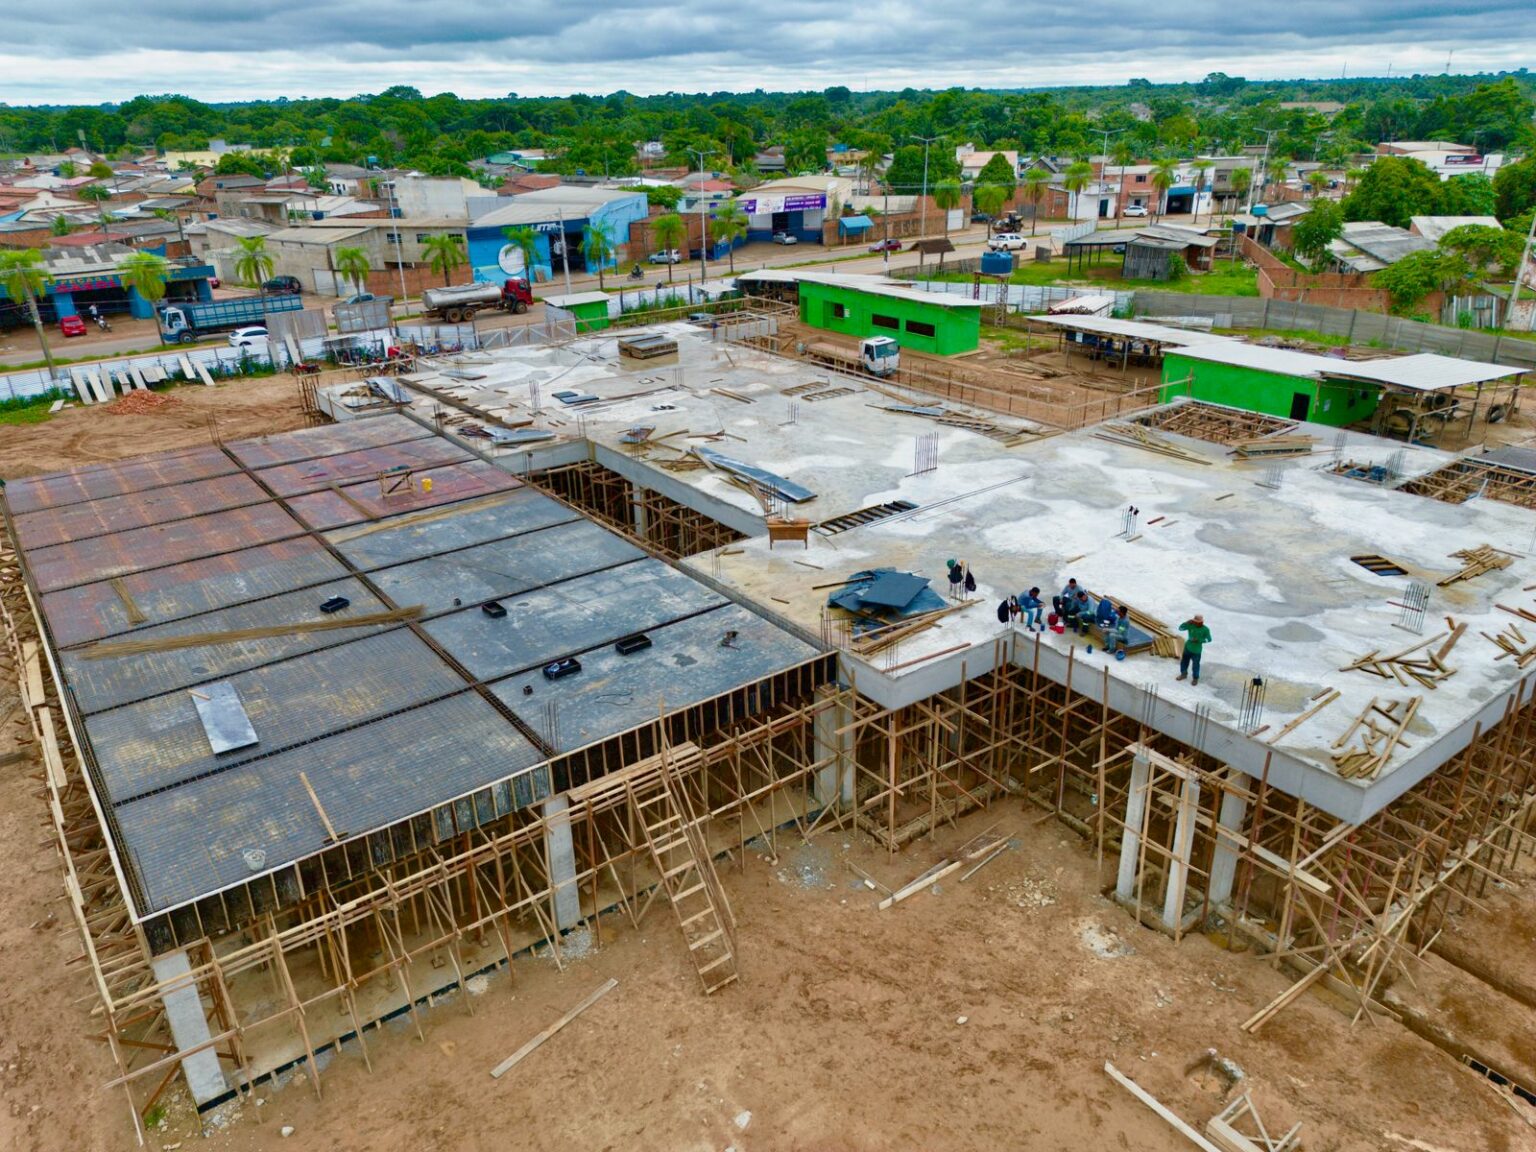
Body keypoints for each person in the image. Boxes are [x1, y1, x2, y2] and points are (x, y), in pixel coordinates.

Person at [1177, 614, 1212, 685]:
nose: (1195, 623)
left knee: (1195, 665)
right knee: (1184, 662)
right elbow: (1180, 628)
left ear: (1201, 622)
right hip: (1187, 648)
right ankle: (1183, 674)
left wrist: (1199, 640)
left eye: (1197, 622)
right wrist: (1186, 623)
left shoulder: (1205, 629)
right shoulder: (1191, 625)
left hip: (1196, 651)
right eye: (1194, 621)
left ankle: (1195, 678)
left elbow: (1209, 639)